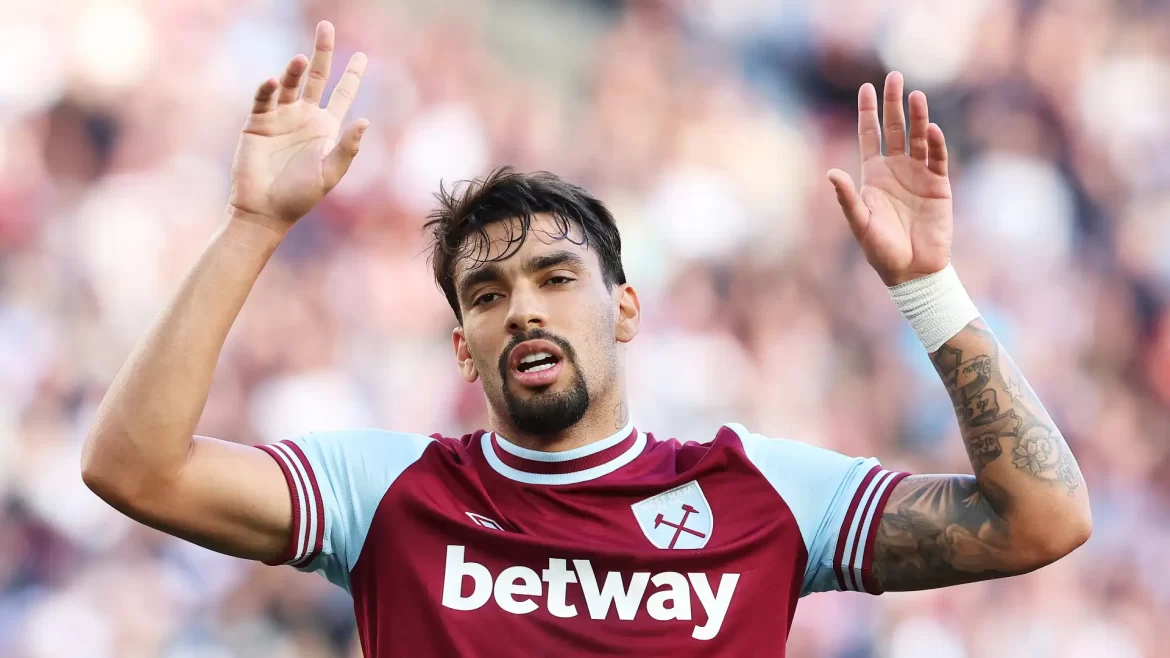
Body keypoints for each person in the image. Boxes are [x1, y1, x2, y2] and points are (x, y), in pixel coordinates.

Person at [81, 21, 1092, 656]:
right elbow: (134, 468)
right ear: (463, 349)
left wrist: (925, 287)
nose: (523, 308)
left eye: (557, 278)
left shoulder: (765, 493)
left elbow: (1040, 522)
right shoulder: (385, 493)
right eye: (486, 294)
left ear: (626, 310)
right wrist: (252, 226)